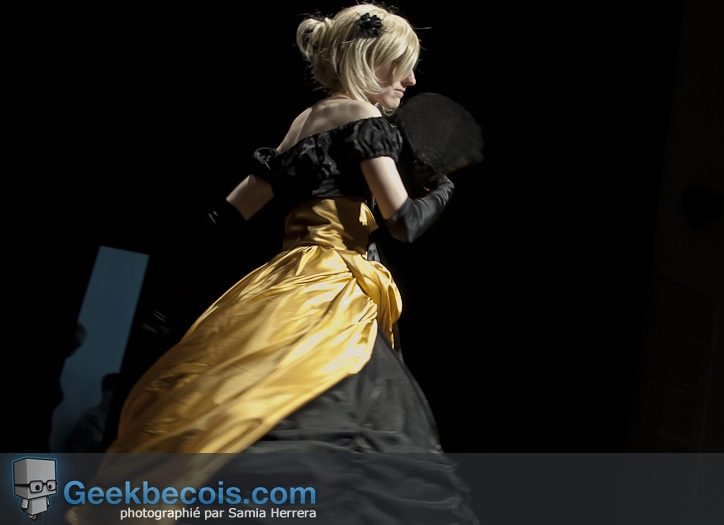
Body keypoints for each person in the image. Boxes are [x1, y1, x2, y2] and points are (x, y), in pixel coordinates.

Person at [106, 5, 478, 522]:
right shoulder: (367, 120)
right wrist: (443, 190)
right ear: (371, 60)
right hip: (332, 293)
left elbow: (223, 219)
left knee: (247, 404)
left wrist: (170, 304)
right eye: (402, 65)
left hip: (278, 285)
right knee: (347, 422)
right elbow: (404, 223)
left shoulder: (302, 123)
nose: (411, 80)